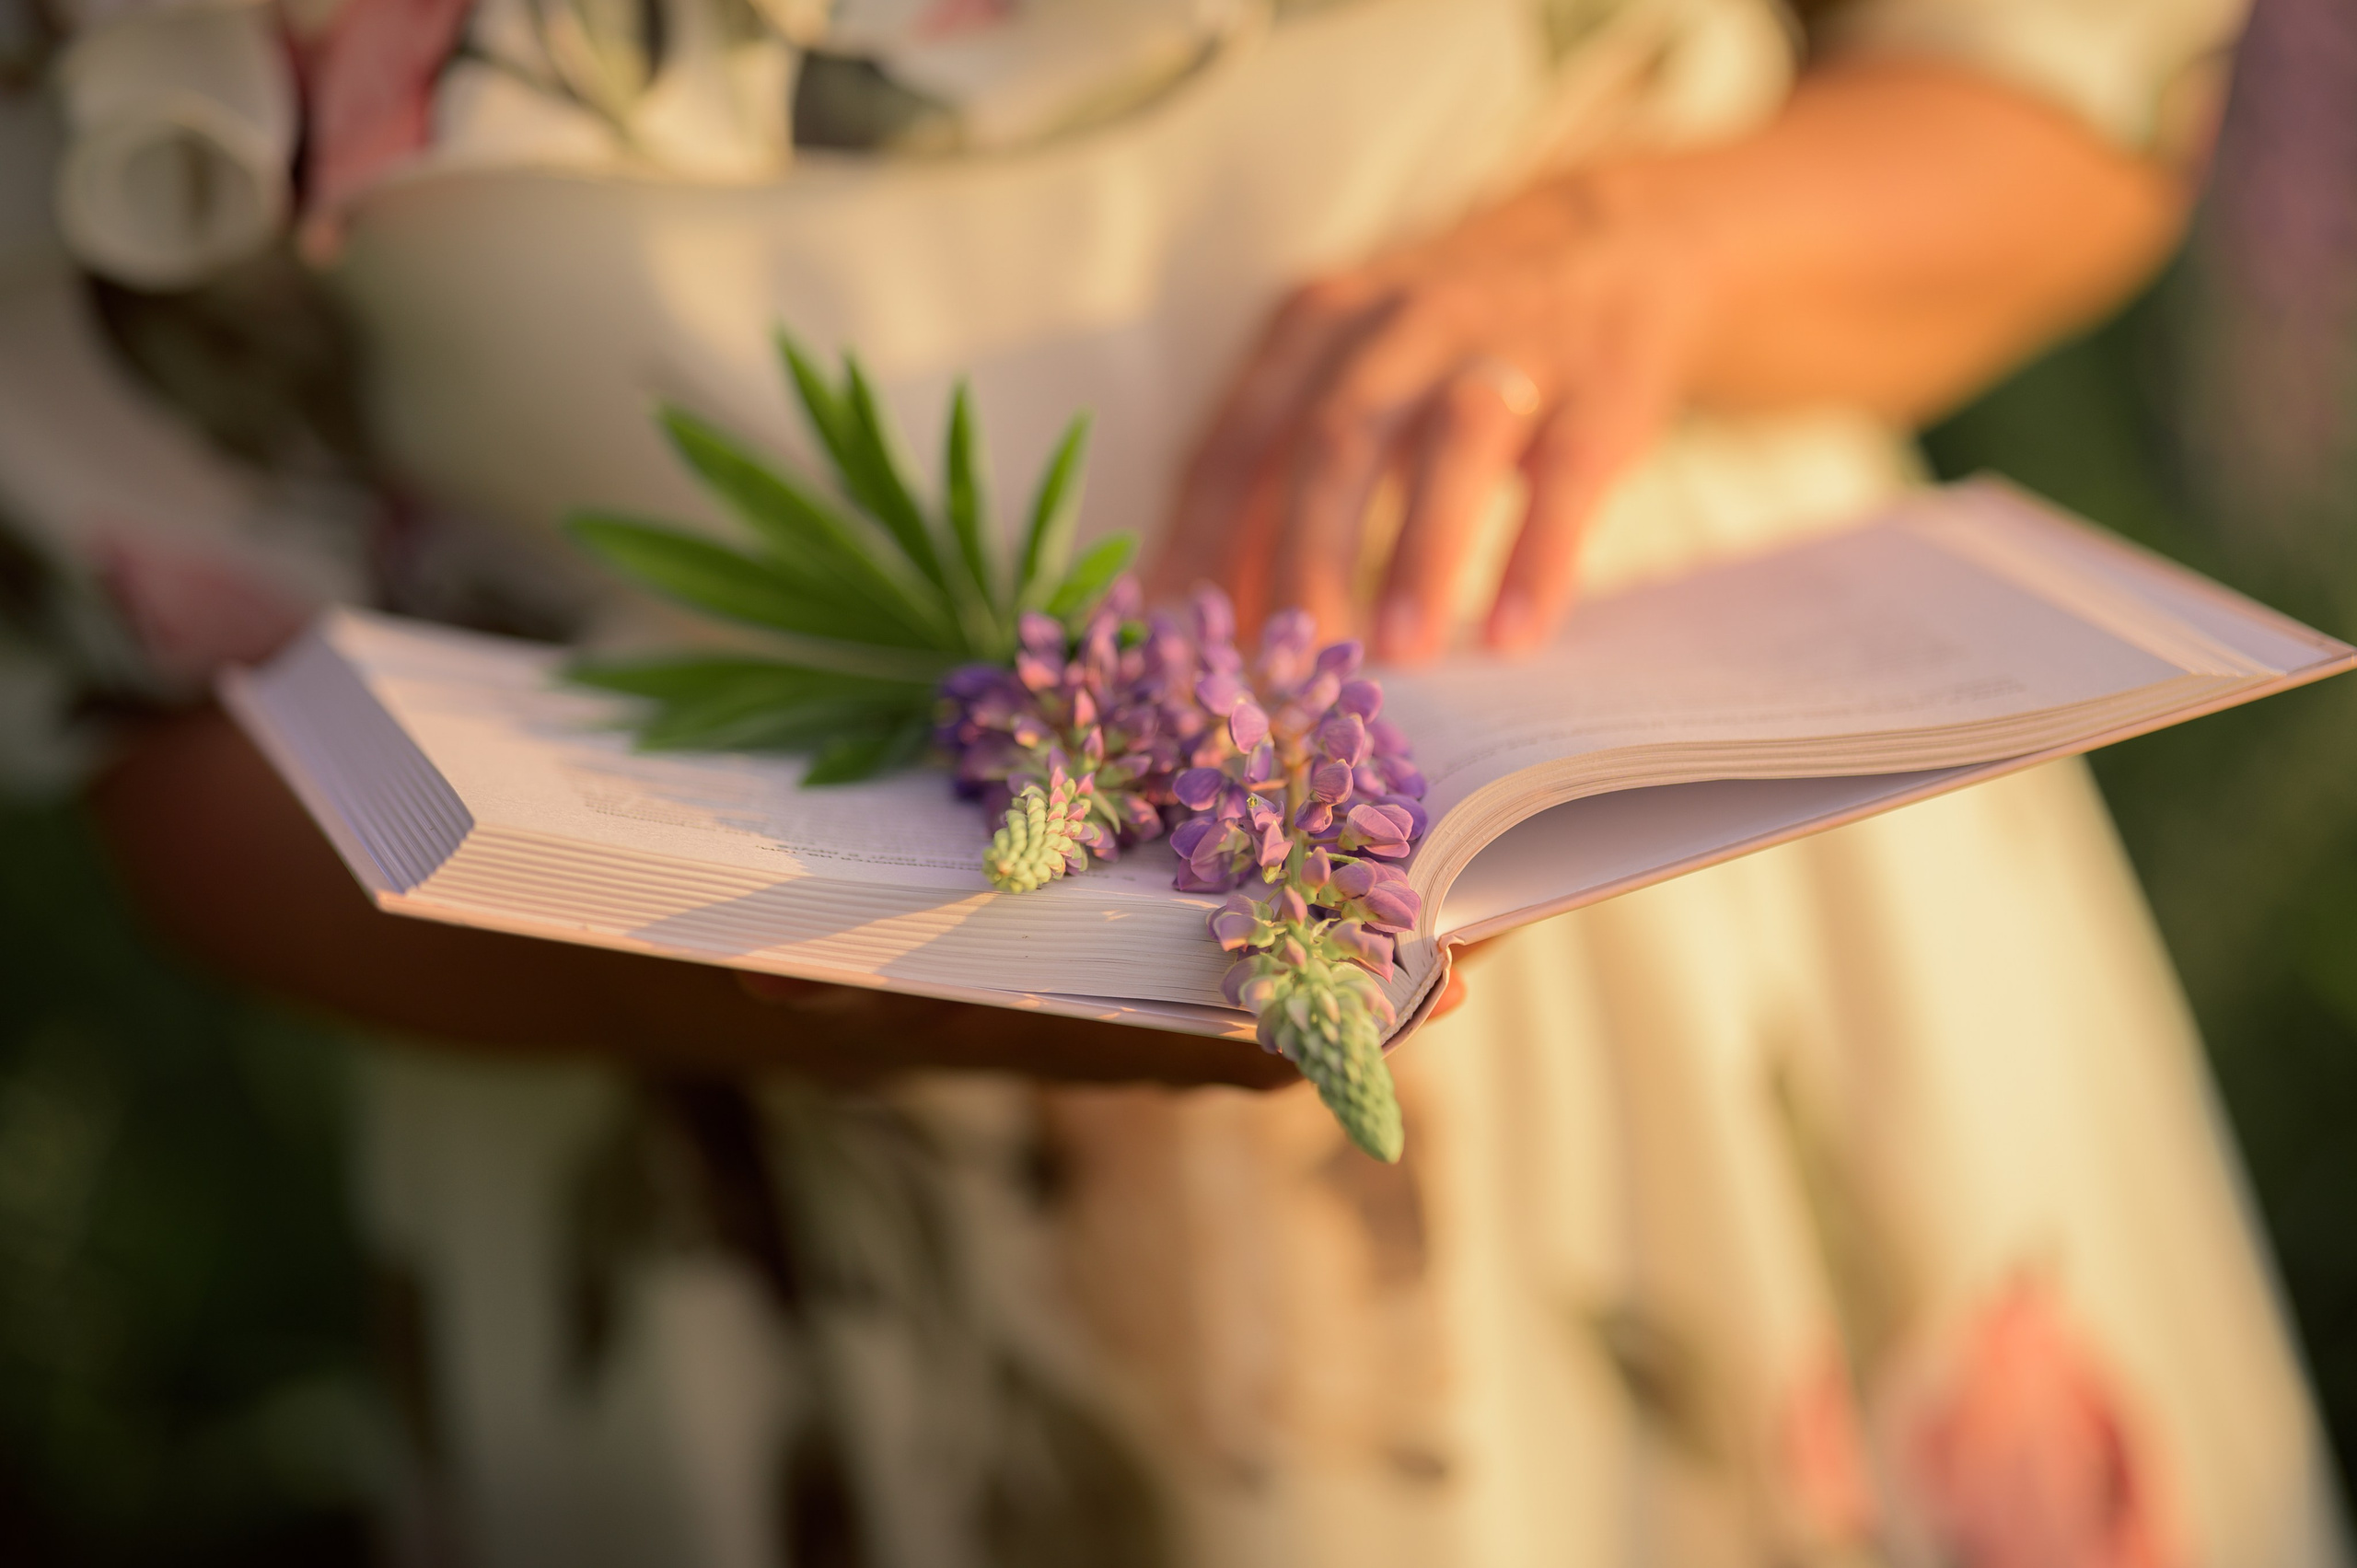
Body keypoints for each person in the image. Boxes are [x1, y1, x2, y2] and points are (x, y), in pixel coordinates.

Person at [1, 0, 2341, 1562]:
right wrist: (795, 984)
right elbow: (152, 724)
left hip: (1701, 954)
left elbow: (2067, 98)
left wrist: (1638, 256)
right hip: (749, 1209)